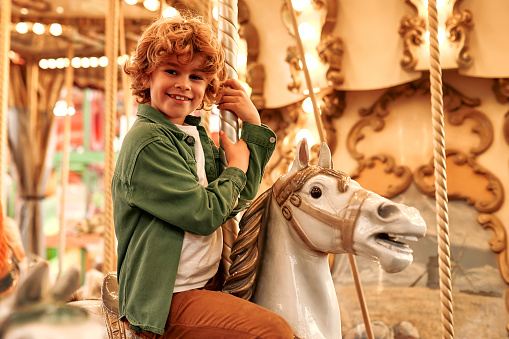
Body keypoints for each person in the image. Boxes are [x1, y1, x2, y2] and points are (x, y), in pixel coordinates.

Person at [112, 14, 294, 339]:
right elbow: (203, 214)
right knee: (273, 331)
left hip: (207, 280)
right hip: (168, 296)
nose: (184, 84)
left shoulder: (190, 134)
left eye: (196, 76)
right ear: (145, 76)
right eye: (172, 71)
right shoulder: (149, 141)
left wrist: (252, 124)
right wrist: (236, 168)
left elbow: (236, 200)